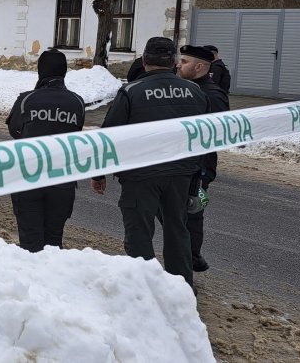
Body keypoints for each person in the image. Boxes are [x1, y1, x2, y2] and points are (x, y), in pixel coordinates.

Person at [91, 37, 211, 288]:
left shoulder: (131, 92)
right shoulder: (195, 91)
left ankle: (144, 290)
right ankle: (181, 289)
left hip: (140, 175)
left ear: (144, 60)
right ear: (174, 62)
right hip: (181, 174)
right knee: (177, 230)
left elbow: (108, 136)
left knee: (139, 233)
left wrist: (99, 174)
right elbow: (203, 135)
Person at [4, 49, 86, 252]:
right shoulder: (77, 102)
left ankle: (33, 281)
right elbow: (77, 131)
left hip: (28, 179)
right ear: (64, 72)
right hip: (62, 181)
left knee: (30, 242)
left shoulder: (26, 100)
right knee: (53, 242)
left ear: (40, 71)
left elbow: (14, 130)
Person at [177, 45, 229, 272]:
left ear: (199, 67)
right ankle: (188, 255)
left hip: (199, 168)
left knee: (193, 212)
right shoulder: (187, 88)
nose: (179, 64)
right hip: (184, 164)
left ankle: (191, 257)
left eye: (185, 61)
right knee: (179, 213)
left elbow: (217, 133)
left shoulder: (212, 94)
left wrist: (202, 171)